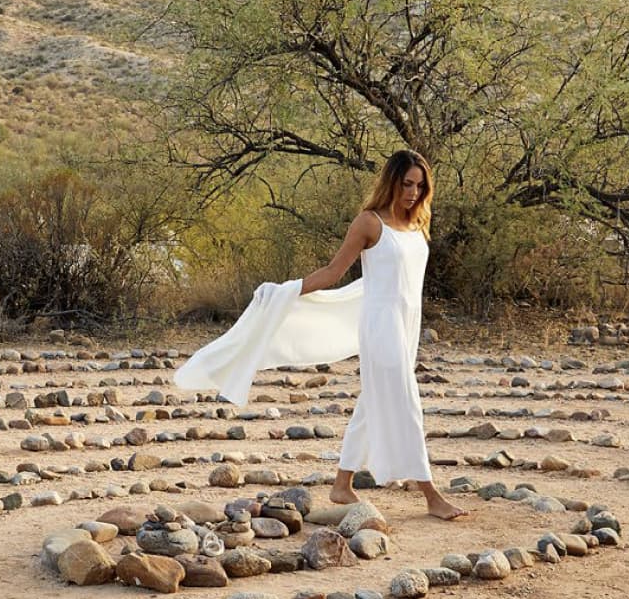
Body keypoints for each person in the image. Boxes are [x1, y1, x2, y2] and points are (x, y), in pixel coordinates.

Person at [171, 147, 466, 520]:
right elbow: (332, 271)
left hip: (408, 324)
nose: (412, 193)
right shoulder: (369, 223)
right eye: (407, 184)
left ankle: (342, 485)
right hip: (380, 325)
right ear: (392, 181)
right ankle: (431, 495)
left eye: (419, 187)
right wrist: (287, 291)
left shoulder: (418, 222)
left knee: (373, 400)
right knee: (406, 403)